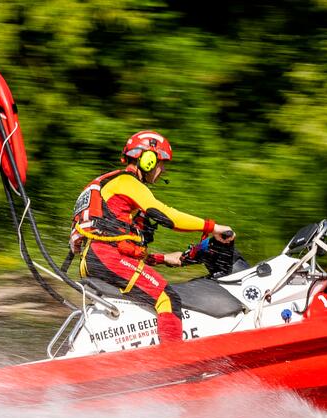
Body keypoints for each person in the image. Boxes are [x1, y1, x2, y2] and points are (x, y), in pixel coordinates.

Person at [69, 130, 235, 343]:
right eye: (161, 163)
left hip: (97, 257)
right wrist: (212, 227)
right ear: (148, 159)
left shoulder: (106, 183)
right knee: (167, 297)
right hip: (106, 257)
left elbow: (116, 239)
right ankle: (171, 362)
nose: (163, 169)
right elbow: (166, 215)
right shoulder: (127, 182)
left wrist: (162, 258)